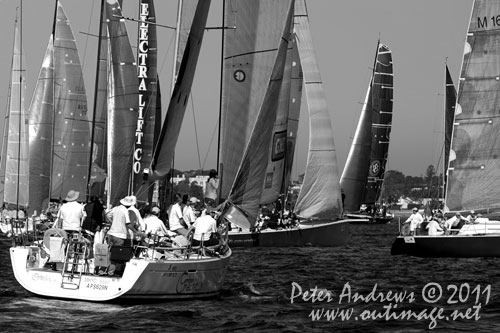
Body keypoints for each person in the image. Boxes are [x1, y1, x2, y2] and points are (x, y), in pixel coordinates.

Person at [106, 196, 143, 276]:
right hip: (119, 235)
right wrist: (136, 232)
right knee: (117, 255)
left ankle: (105, 270)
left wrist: (113, 222)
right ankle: (111, 272)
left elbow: (107, 215)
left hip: (111, 233)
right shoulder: (125, 211)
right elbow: (128, 224)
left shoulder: (115, 208)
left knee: (110, 252)